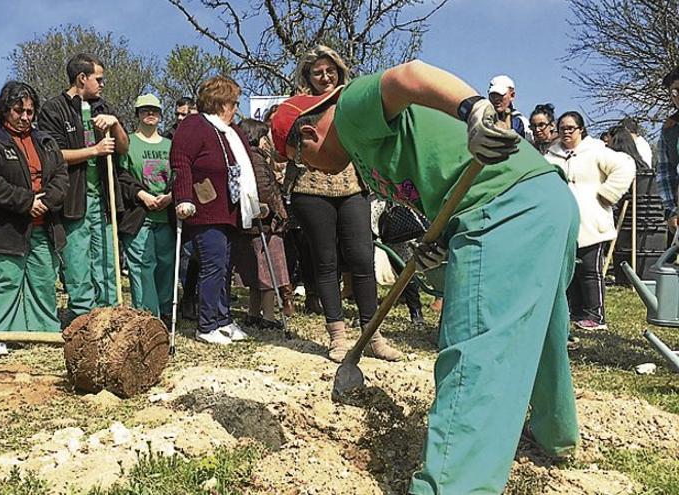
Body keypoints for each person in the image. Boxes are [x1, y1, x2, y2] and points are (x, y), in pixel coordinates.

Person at [270, 59, 580, 494]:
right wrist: (439, 237)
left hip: (503, 206)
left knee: (474, 348)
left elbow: (409, 76)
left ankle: (452, 485)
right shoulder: (364, 153)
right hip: (544, 198)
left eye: (301, 163)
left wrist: (475, 109)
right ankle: (555, 431)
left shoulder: (351, 110)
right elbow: (438, 176)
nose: (313, 171)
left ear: (308, 134)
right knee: (543, 327)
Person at [289, 45, 401, 362]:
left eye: (329, 70)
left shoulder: (355, 99)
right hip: (311, 189)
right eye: (317, 72)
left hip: (354, 186)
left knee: (362, 259)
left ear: (339, 71)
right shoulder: (298, 107)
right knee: (326, 263)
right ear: (307, 77)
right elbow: (284, 146)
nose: (324, 77)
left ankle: (373, 335)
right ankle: (337, 337)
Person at [0, 81, 69, 358]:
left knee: (43, 280)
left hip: (43, 225)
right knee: (6, 282)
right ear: (4, 110)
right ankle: (1, 336)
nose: (25, 117)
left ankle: (45, 332)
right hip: (3, 227)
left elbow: (61, 175)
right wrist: (26, 201)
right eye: (18, 110)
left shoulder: (46, 141)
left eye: (30, 111)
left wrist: (46, 201)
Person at [38, 53, 129, 316]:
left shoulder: (104, 108)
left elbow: (122, 148)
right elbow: (53, 156)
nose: (102, 85)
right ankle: (84, 317)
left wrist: (116, 124)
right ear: (82, 78)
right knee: (77, 261)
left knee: (108, 259)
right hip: (74, 199)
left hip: (104, 199)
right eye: (98, 79)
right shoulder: (54, 109)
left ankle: (110, 313)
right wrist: (94, 150)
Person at [172, 75, 258, 345]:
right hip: (205, 210)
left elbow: (246, 169)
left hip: (230, 210)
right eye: (233, 103)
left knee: (225, 266)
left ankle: (223, 319)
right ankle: (206, 324)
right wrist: (183, 196)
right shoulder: (195, 125)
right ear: (220, 103)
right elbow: (180, 160)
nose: (235, 109)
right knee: (212, 265)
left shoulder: (232, 132)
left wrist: (257, 201)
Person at [545, 111, 635, 333]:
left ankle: (596, 314)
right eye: (562, 128)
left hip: (591, 222)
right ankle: (575, 312)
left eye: (570, 128)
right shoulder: (550, 156)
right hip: (563, 222)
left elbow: (625, 166)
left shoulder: (596, 151)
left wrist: (608, 194)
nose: (566, 132)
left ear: (581, 129)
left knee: (590, 270)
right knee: (569, 270)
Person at [117, 94, 176, 322]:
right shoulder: (128, 143)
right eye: (144, 110)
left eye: (154, 110)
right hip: (139, 216)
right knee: (142, 265)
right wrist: (142, 196)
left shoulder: (170, 145)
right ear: (138, 114)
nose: (149, 114)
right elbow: (121, 176)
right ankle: (147, 316)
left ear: (161, 114)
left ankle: (165, 311)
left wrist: (170, 197)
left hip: (166, 216)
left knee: (166, 264)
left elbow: (179, 176)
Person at [233, 118, 293, 328]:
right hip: (265, 225)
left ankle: (253, 313)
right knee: (269, 273)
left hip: (251, 225)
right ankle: (268, 316)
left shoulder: (242, 157)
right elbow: (264, 189)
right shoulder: (256, 159)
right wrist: (278, 212)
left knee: (256, 274)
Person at [656, 66, 679, 234]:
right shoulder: (669, 128)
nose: (675, 96)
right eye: (673, 92)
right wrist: (671, 210)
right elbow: (665, 172)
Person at [488, 75, 533, 141]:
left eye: (501, 95)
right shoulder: (481, 118)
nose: (496, 99)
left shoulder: (521, 122)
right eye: (493, 95)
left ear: (512, 95)